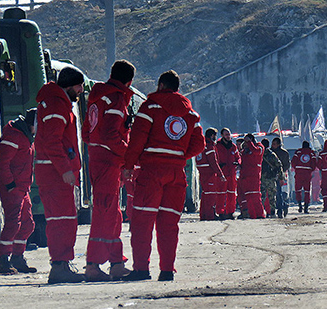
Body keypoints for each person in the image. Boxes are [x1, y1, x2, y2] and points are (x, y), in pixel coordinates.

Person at [122, 70, 204, 281]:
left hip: (151, 172)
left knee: (142, 221)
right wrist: (178, 155)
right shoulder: (190, 114)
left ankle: (141, 269)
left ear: (160, 85)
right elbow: (199, 144)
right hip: (176, 174)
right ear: (176, 88)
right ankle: (167, 270)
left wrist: (129, 165)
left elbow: (137, 139)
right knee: (169, 224)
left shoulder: (150, 107)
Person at [81, 60, 135, 281]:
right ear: (129, 81)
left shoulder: (96, 98)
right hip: (109, 162)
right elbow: (111, 135)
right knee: (105, 214)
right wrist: (128, 156)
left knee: (112, 213)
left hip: (99, 160)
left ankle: (115, 262)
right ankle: (93, 265)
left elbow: (87, 132)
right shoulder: (115, 98)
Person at [35, 67, 85, 283]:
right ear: (70, 85)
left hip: (53, 171)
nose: (81, 90)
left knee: (63, 219)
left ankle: (62, 263)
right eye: (79, 86)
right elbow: (53, 142)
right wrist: (65, 169)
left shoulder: (56, 102)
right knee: (61, 219)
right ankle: (59, 266)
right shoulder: (56, 104)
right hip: (54, 172)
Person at [0, 108, 38, 275]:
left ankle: (17, 258)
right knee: (13, 223)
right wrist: (10, 185)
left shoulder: (26, 136)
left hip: (21, 187)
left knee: (27, 224)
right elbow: (3, 163)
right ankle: (3, 260)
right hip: (13, 188)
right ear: (33, 124)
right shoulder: (14, 135)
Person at [196, 128, 226, 221]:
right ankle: (210, 215)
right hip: (209, 173)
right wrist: (220, 174)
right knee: (211, 195)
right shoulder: (209, 146)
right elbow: (213, 162)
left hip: (202, 172)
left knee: (205, 194)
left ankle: (204, 215)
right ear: (212, 135)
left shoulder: (201, 145)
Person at [215, 128, 241, 219]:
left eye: (229, 134)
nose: (228, 136)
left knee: (231, 193)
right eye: (226, 134)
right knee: (221, 193)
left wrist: (238, 163)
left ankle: (230, 212)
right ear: (222, 135)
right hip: (222, 173)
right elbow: (214, 158)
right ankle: (221, 212)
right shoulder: (217, 146)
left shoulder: (233, 146)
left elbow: (238, 157)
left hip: (232, 173)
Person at [238, 134, 265, 219]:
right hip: (245, 177)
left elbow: (256, 151)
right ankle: (252, 215)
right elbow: (241, 161)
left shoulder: (259, 147)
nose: (245, 144)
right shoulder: (244, 152)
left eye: (247, 142)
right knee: (248, 197)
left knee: (256, 196)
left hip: (254, 176)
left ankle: (260, 214)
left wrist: (249, 142)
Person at [260, 138, 284, 218]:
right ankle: (271, 212)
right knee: (271, 196)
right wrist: (281, 177)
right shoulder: (271, 154)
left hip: (264, 178)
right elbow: (279, 165)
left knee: (263, 196)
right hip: (270, 179)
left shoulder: (260, 154)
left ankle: (263, 212)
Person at [291, 141, 316, 213]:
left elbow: (293, 162)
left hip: (298, 173)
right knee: (307, 191)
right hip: (307, 174)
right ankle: (306, 206)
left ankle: (299, 205)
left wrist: (296, 168)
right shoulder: (311, 153)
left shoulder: (298, 152)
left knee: (298, 190)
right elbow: (314, 164)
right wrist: (311, 170)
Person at [271, 137, 290, 218]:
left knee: (278, 193)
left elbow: (287, 165)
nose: (272, 145)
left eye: (274, 144)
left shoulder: (284, 153)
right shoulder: (270, 152)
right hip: (270, 175)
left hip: (279, 176)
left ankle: (281, 209)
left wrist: (281, 172)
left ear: (278, 144)